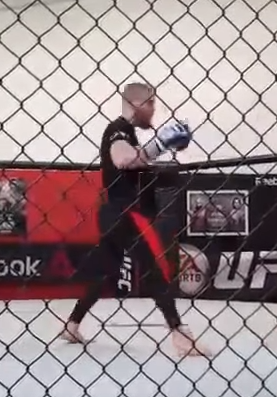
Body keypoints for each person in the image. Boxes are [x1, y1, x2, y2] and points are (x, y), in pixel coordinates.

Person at [61, 82, 208, 357]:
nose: (153, 109)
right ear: (136, 104)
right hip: (125, 213)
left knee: (107, 272)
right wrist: (160, 144)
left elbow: (136, 162)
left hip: (113, 214)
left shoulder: (129, 134)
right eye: (150, 103)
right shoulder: (119, 129)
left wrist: (161, 150)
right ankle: (180, 335)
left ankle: (72, 325)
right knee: (155, 269)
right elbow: (122, 159)